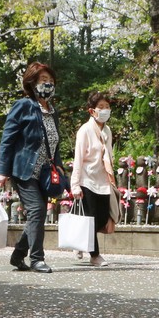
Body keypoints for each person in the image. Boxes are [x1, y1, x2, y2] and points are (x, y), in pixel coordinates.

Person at [0, 62, 63, 274]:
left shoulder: (52, 111)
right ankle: (37, 259)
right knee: (37, 210)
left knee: (38, 214)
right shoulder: (23, 106)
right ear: (32, 83)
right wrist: (2, 170)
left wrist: (58, 165)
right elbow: (7, 140)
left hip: (44, 172)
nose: (48, 85)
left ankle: (17, 255)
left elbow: (54, 141)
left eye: (50, 81)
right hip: (24, 170)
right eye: (44, 81)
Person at [69, 92, 118, 267]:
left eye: (107, 107)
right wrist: (75, 185)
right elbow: (78, 158)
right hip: (87, 180)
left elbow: (109, 155)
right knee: (89, 219)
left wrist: (112, 176)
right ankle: (95, 255)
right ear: (92, 111)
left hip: (103, 181)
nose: (105, 111)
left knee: (102, 218)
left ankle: (81, 242)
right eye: (101, 108)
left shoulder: (107, 130)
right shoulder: (85, 130)